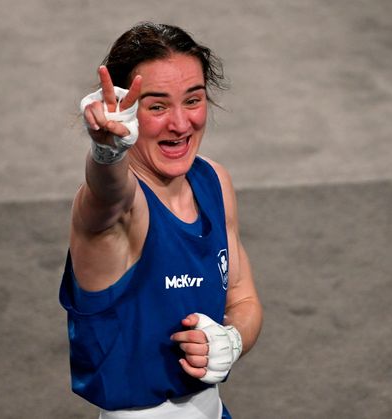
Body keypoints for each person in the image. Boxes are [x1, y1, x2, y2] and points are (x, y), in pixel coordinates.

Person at [59, 22, 263, 419]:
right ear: (127, 112)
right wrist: (107, 153)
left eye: (192, 100)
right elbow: (108, 191)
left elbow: (243, 297)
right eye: (156, 106)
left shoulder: (215, 182)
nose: (180, 124)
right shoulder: (116, 210)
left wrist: (232, 339)